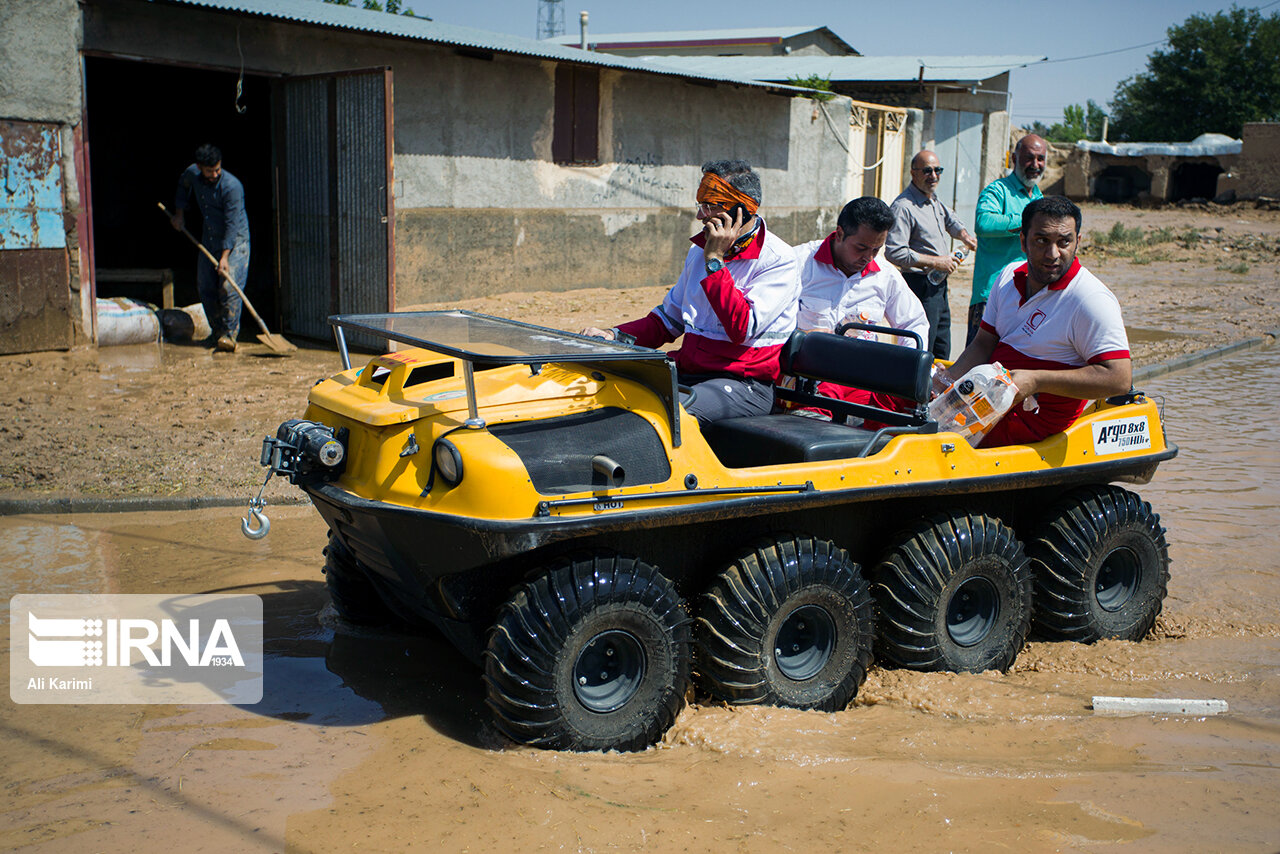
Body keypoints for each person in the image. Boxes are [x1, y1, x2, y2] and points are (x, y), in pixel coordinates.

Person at [581, 159, 799, 425]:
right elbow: (666, 321)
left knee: (665, 415)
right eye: (700, 206)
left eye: (709, 207)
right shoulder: (700, 252)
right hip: (690, 372)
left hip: (744, 385)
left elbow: (742, 327)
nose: (700, 216)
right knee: (604, 392)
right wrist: (613, 336)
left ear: (739, 211)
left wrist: (715, 262)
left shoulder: (778, 259)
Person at [943, 196, 1132, 448]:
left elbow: (1119, 380)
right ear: (1023, 241)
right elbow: (983, 344)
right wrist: (946, 382)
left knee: (927, 445)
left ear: (1078, 242)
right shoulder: (1008, 276)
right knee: (900, 411)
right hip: (989, 404)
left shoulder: (1090, 299)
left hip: (1033, 424)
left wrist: (1035, 381)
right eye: (1042, 240)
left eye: (1064, 242)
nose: (1053, 254)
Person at [793, 196, 928, 419]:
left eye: (876, 250)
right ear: (839, 234)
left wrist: (909, 368)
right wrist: (804, 337)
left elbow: (913, 323)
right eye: (861, 248)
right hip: (804, 376)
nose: (868, 257)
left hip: (861, 379)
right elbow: (770, 323)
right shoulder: (799, 264)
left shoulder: (886, 276)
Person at [886, 150, 977, 360]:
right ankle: (915, 391)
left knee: (941, 348)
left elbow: (950, 220)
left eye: (938, 170)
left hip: (938, 286)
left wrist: (964, 236)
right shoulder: (903, 207)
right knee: (922, 349)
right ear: (913, 173)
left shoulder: (932, 199)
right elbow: (894, 251)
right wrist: (937, 262)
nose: (934, 176)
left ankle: (936, 392)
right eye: (927, 171)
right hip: (919, 285)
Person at [968, 134, 1048, 346]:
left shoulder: (1039, 198)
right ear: (1014, 158)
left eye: (1040, 159)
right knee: (976, 367)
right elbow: (983, 223)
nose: (1035, 164)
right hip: (991, 295)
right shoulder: (998, 190)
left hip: (1026, 296)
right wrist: (1026, 222)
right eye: (1029, 158)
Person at [170, 144, 249, 353]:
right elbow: (182, 186)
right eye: (209, 171)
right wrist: (179, 214)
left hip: (236, 241)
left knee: (228, 287)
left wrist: (224, 258)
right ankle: (217, 333)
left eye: (217, 169)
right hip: (210, 238)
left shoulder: (232, 187)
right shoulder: (192, 173)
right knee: (205, 285)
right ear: (199, 167)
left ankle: (229, 336)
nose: (214, 174)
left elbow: (232, 226)